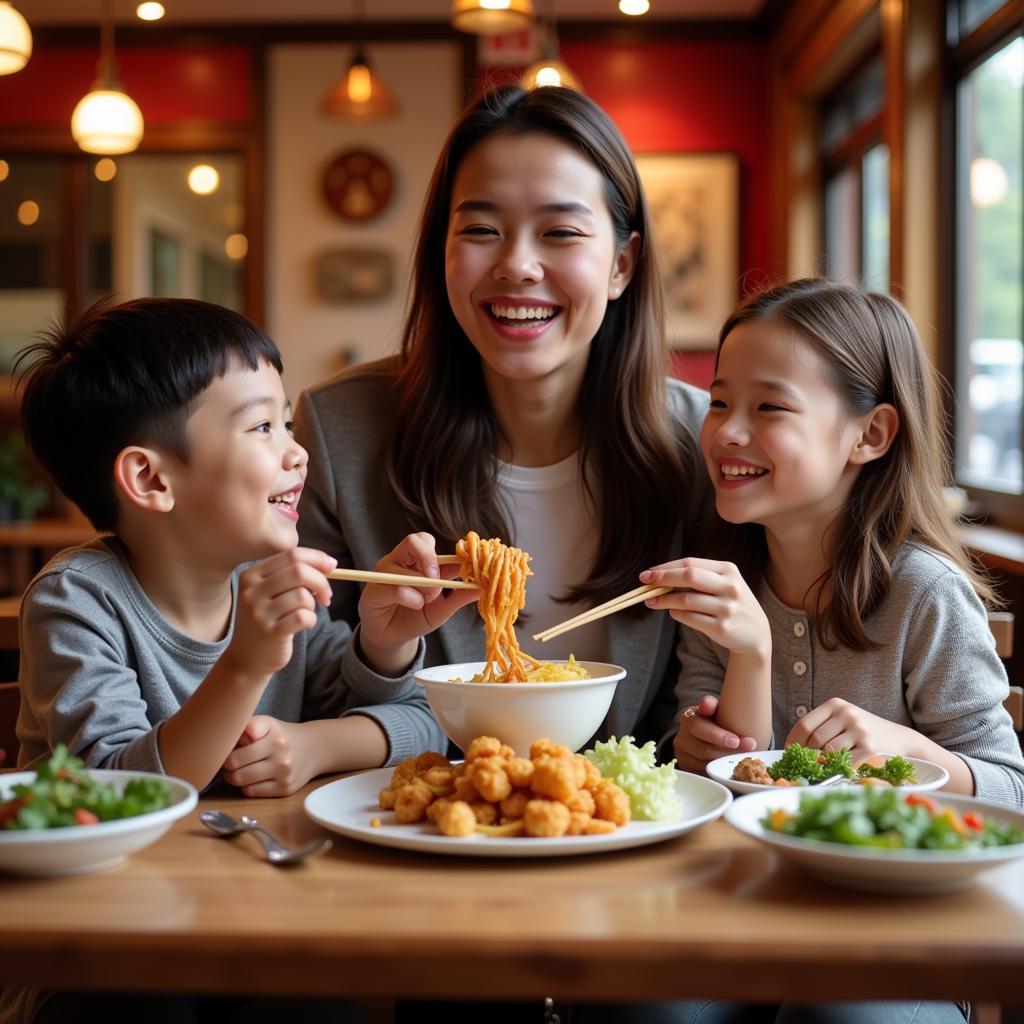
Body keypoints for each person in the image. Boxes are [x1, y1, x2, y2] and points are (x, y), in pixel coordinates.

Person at [293, 84, 712, 1024]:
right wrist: (380, 651)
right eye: (478, 229)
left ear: (622, 263)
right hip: (412, 858)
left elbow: (713, 690)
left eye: (561, 233)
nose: (515, 268)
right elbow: (290, 675)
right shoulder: (342, 429)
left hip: (639, 863)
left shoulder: (700, 451)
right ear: (440, 253)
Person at [1, 297, 466, 1024]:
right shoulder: (78, 601)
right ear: (151, 479)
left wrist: (375, 656)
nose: (297, 448)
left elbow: (425, 729)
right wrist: (246, 666)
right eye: (261, 427)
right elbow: (108, 797)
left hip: (249, 928)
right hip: (100, 952)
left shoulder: (261, 591)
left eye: (287, 420)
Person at [640, 278, 1024, 1023]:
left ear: (869, 435)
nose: (727, 432)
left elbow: (1011, 789)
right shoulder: (723, 583)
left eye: (770, 407)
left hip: (897, 937)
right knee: (643, 1003)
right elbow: (728, 788)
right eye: (718, 402)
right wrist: (744, 662)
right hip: (740, 912)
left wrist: (910, 752)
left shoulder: (924, 593)